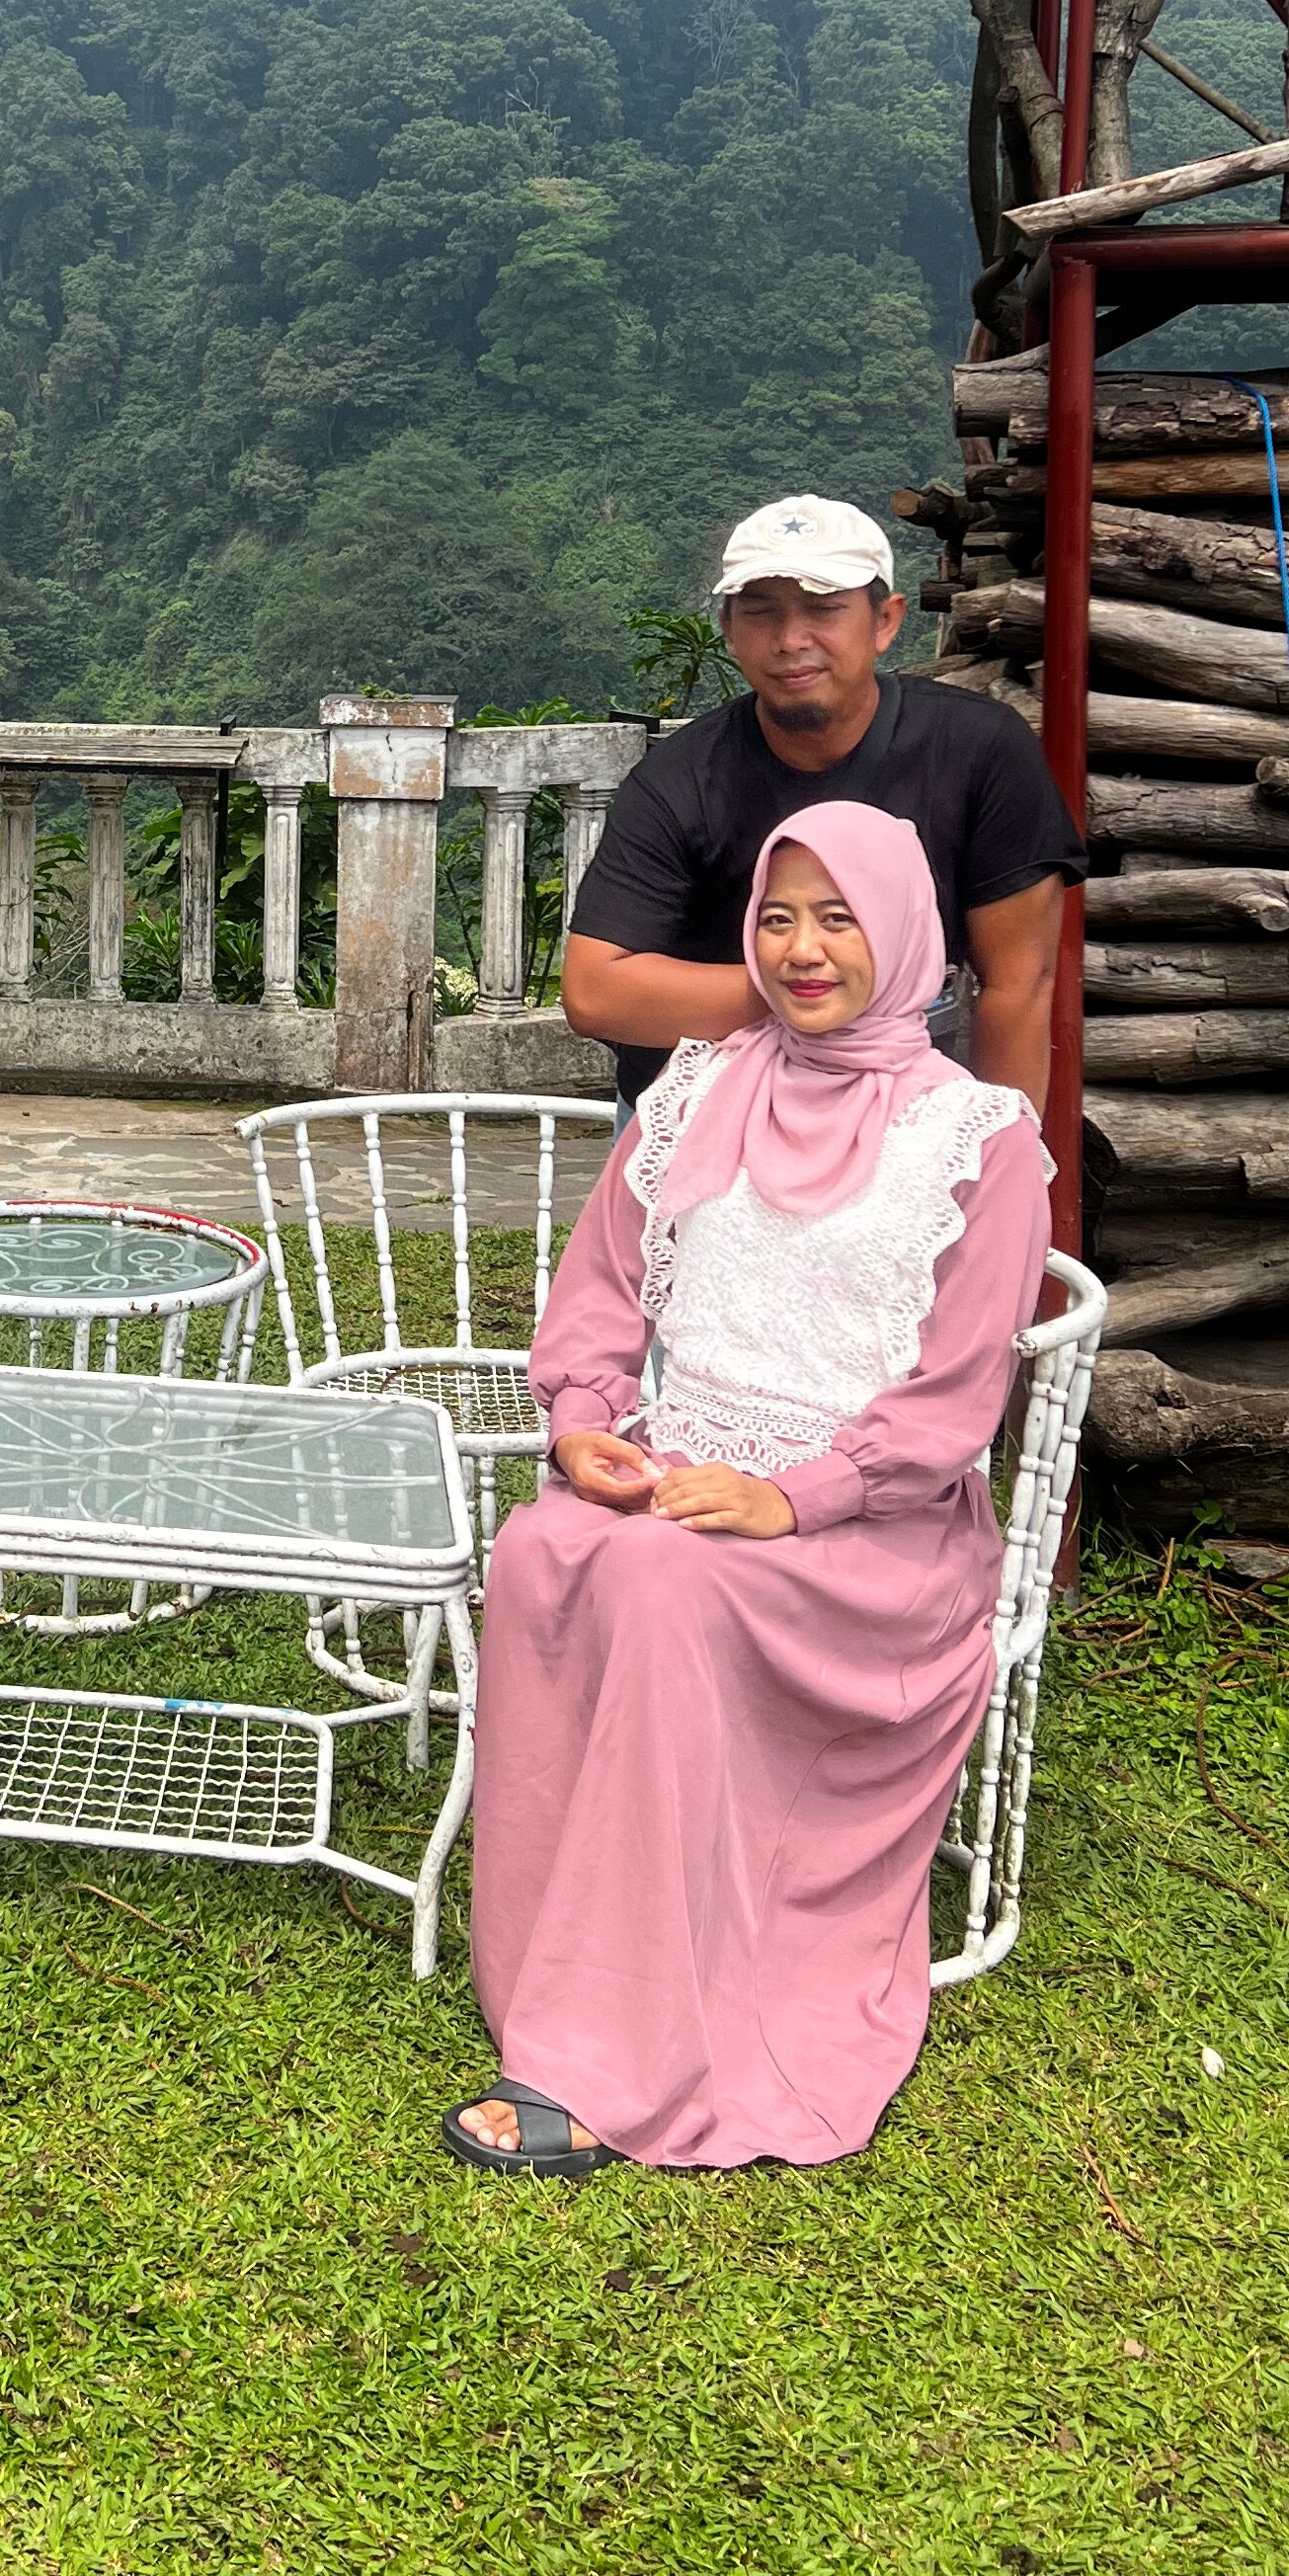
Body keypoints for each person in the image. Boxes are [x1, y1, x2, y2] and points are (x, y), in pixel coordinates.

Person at [444, 803, 1050, 2177]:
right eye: (777, 917)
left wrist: (796, 1499)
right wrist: (588, 1422)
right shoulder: (701, 1086)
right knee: (549, 1551)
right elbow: (600, 1293)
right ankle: (567, 1958)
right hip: (680, 1469)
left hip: (871, 1537)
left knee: (659, 1583)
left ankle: (613, 2056)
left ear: (905, 932)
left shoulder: (976, 1139)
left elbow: (955, 1404)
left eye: (839, 917)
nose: (801, 949)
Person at [560, 494, 1083, 1113]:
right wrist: (841, 993)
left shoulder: (977, 752)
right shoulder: (680, 780)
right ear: (727, 629)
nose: (790, 640)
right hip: (696, 1118)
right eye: (760, 614)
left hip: (901, 1117)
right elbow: (596, 993)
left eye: (823, 610)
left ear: (884, 621)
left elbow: (1018, 985)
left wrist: (1001, 1153)